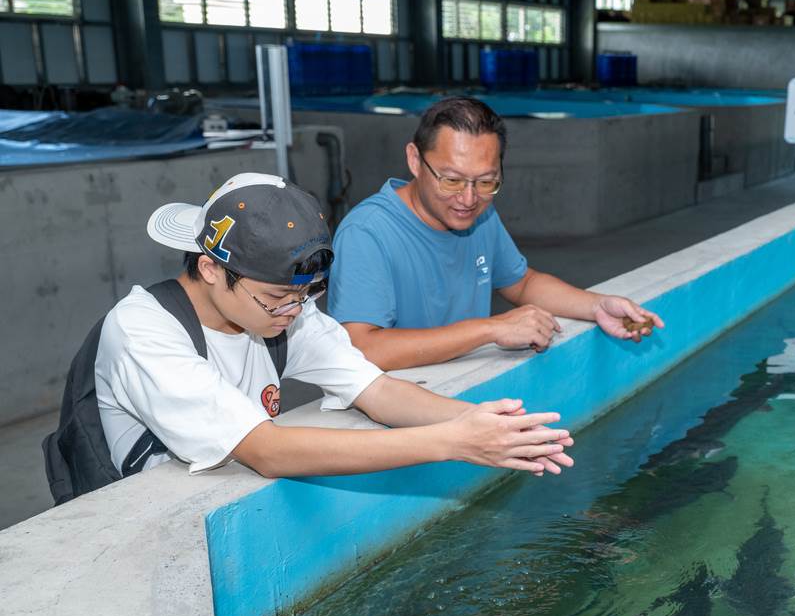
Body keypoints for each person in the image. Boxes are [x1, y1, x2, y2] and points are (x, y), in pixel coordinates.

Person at [94, 172, 574, 481]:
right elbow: (267, 451)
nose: (294, 312)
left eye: (305, 295)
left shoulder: (285, 312)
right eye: (279, 297)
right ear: (211, 269)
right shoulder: (143, 332)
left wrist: (481, 421)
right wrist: (451, 442)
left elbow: (374, 388)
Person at [327, 96, 665, 371]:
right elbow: (363, 347)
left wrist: (596, 306)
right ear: (415, 160)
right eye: (452, 179)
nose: (469, 198)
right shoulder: (368, 232)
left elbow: (521, 283)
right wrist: (490, 328)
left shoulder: (479, 215)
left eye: (486, 181)